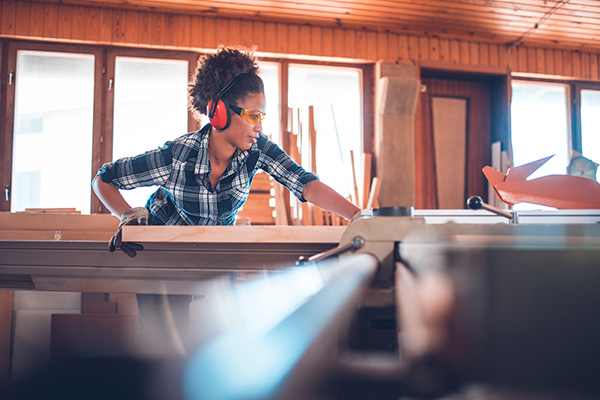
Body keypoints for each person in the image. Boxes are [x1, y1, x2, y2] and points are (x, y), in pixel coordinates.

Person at [92, 46, 361, 355]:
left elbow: (304, 184)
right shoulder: (178, 156)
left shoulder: (257, 150)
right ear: (219, 112)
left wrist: (357, 215)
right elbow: (104, 180)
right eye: (253, 115)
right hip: (162, 262)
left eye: (262, 116)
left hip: (212, 257)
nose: (259, 126)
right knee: (163, 349)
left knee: (219, 346)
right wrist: (128, 216)